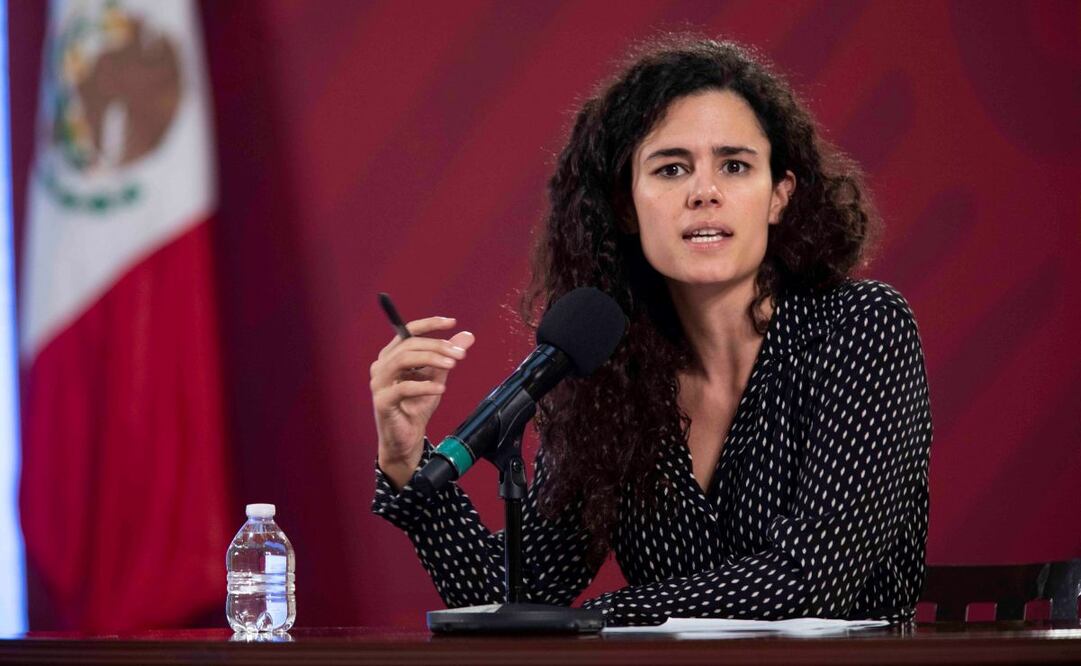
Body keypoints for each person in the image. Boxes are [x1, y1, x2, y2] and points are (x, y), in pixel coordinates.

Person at [368, 37, 932, 627]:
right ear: (627, 208)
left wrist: (606, 617)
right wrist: (406, 458)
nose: (704, 192)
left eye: (735, 166)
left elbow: (812, 582)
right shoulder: (615, 372)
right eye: (671, 169)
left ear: (778, 197)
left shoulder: (862, 326)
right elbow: (517, 600)